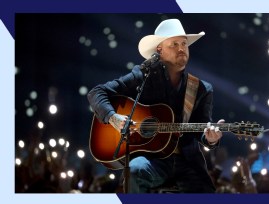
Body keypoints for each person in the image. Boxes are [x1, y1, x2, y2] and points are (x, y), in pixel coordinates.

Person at [87, 18, 224, 193]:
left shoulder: (201, 89)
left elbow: (202, 127)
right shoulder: (143, 75)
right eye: (174, 44)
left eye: (184, 43)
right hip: (152, 161)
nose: (181, 48)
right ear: (159, 50)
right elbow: (96, 93)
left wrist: (210, 139)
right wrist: (113, 118)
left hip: (188, 163)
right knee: (134, 171)